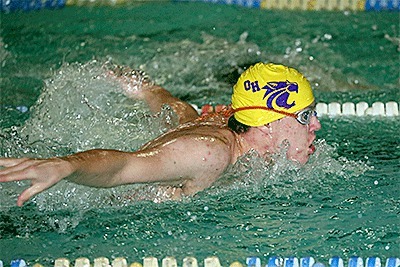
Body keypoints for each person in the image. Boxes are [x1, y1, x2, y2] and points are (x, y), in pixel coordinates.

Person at [0, 62, 321, 206]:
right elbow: (125, 165)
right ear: (266, 123)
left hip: (188, 131)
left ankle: (144, 88)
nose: (316, 126)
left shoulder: (227, 121)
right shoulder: (210, 153)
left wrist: (151, 92)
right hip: (100, 203)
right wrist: (64, 166)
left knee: (185, 115)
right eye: (306, 116)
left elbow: (181, 114)